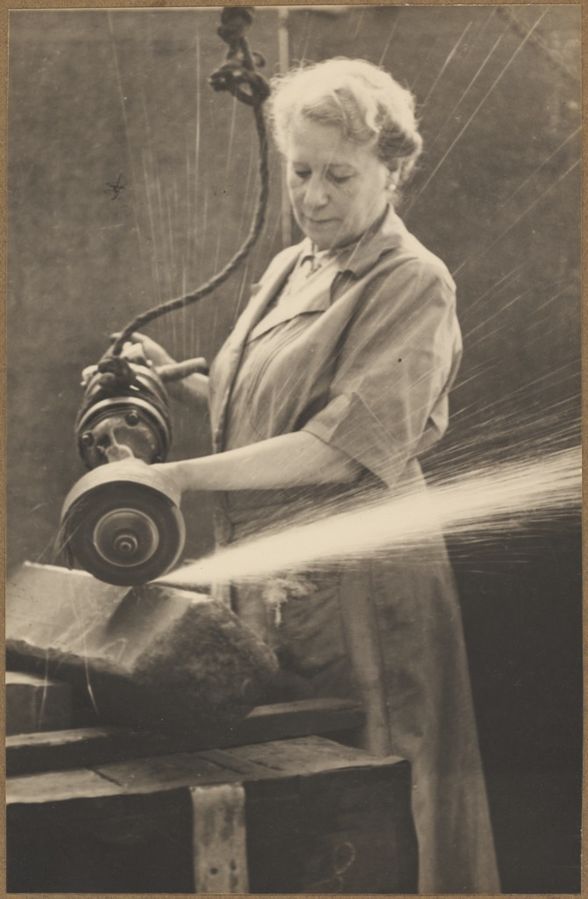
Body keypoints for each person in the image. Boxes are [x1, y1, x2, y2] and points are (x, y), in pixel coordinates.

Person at [121, 58, 500, 893]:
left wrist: (179, 477)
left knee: (374, 809)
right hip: (280, 593)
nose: (315, 196)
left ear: (394, 173)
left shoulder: (412, 282)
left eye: (339, 175)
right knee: (302, 818)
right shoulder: (298, 266)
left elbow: (337, 446)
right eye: (300, 172)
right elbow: (275, 411)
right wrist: (180, 385)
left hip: (364, 600)